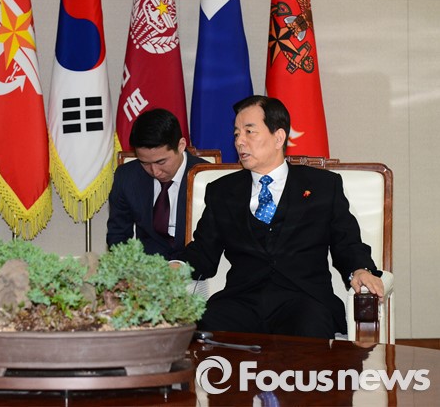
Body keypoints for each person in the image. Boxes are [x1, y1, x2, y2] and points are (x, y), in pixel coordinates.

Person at [180, 95, 384, 339]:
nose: (239, 141)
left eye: (249, 132)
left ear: (279, 137)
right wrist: (175, 267)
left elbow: (346, 242)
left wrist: (360, 270)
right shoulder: (222, 191)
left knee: (311, 328)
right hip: (243, 300)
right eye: (236, 134)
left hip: (303, 299)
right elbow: (204, 251)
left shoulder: (322, 185)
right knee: (204, 328)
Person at [107, 108, 208, 260]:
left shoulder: (207, 177)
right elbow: (118, 235)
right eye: (145, 163)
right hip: (147, 267)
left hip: (196, 266)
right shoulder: (126, 177)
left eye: (161, 162)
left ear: (181, 146)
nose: (155, 171)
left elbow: (213, 242)